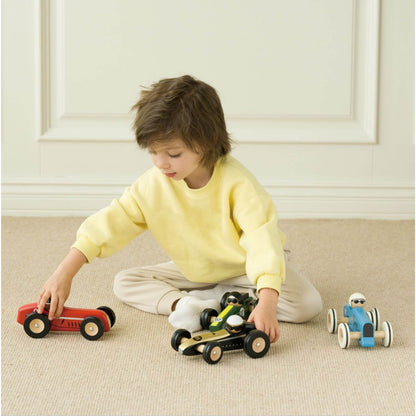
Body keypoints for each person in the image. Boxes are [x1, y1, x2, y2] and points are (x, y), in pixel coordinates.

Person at [37, 75, 322, 343]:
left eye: (173, 154)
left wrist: (269, 301)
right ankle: (190, 304)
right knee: (125, 282)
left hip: (244, 268)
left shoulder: (239, 185)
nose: (161, 163)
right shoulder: (153, 185)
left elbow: (262, 241)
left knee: (307, 305)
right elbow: (111, 222)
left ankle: (233, 295)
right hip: (196, 270)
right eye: (153, 152)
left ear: (206, 143)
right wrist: (64, 272)